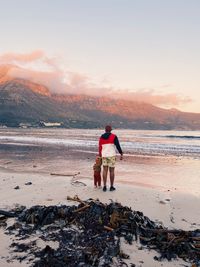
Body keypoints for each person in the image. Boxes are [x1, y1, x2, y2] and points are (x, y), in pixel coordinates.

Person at [99, 125, 123, 192]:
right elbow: (118, 146)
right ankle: (111, 186)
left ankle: (104, 186)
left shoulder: (101, 137)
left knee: (104, 170)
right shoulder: (114, 136)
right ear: (111, 130)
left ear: (105, 130)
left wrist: (100, 155)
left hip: (104, 156)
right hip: (111, 156)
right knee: (112, 171)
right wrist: (121, 153)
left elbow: (100, 147)